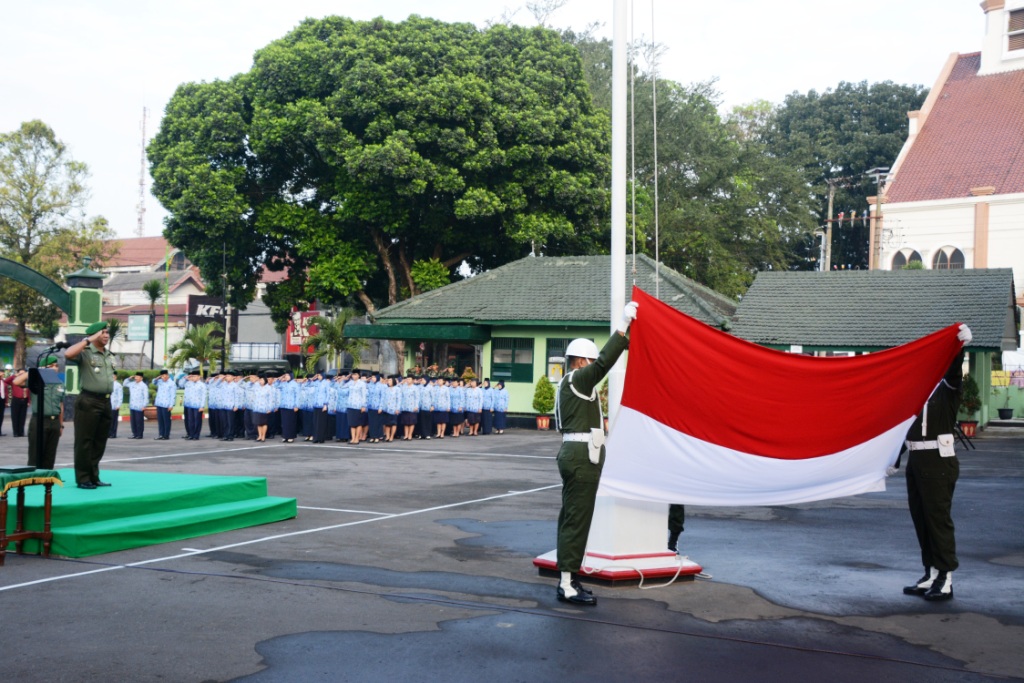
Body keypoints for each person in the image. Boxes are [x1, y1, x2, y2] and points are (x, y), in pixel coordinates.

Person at [554, 301, 637, 606]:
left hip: (575, 453)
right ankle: (567, 584)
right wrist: (623, 327)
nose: (591, 367)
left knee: (572, 517)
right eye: (588, 362)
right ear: (581, 362)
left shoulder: (569, 382)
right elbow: (603, 364)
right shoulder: (578, 379)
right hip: (581, 456)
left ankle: (569, 578)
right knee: (577, 519)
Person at [901, 324, 972, 602]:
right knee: (922, 519)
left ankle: (946, 577)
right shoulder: (918, 390)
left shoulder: (948, 388)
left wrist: (959, 348)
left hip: (938, 462)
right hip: (917, 461)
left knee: (937, 520)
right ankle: (930, 572)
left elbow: (954, 372)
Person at [64, 321, 116, 489]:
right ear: (94, 335)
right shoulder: (85, 353)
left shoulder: (108, 354)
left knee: (99, 442)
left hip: (105, 401)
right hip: (88, 400)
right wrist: (87, 340)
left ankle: (94, 476)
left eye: (108, 333)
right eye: (103, 332)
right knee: (84, 441)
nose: (107, 335)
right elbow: (68, 354)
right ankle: (83, 478)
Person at [13, 355, 64, 469]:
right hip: (39, 421)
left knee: (50, 455)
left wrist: (61, 425)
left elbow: (61, 405)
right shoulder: (36, 381)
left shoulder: (59, 383)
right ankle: (33, 480)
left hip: (54, 421)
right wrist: (35, 371)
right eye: (51, 366)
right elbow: (17, 382)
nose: (55, 368)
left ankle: (47, 480)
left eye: (56, 366)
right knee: (35, 454)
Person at [5, 366, 30, 437]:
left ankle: (21, 432)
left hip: (24, 400)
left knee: (23, 417)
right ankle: (15, 432)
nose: (22, 375)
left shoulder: (26, 381)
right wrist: (14, 376)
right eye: (20, 373)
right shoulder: (14, 380)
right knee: (15, 416)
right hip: (16, 399)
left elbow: (29, 392)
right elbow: (6, 381)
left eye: (23, 373)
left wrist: (29, 401)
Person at [182, 371, 207, 440]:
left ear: (199, 377)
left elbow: (203, 396)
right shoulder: (189, 383)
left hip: (197, 406)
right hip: (189, 405)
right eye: (192, 376)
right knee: (190, 421)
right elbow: (181, 384)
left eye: (195, 376)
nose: (193, 378)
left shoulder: (202, 385)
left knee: (197, 421)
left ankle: (196, 435)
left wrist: (202, 406)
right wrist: (185, 378)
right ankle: (191, 434)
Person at [152, 369, 176, 440]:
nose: (164, 377)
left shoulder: (172, 383)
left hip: (166, 404)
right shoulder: (160, 382)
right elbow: (153, 382)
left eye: (165, 375)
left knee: (166, 421)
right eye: (162, 376)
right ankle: (161, 434)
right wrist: (157, 378)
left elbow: (173, 395)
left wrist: (171, 405)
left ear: (168, 375)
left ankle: (166, 435)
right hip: (159, 403)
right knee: (160, 420)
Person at [124, 372, 148, 439]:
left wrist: (144, 405)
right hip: (132, 405)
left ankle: (139, 434)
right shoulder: (132, 384)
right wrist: (129, 378)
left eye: (138, 377)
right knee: (133, 421)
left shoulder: (143, 386)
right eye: (135, 377)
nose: (136, 378)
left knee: (139, 421)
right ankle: (134, 434)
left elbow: (146, 396)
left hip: (139, 406)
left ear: (141, 378)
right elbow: (124, 384)